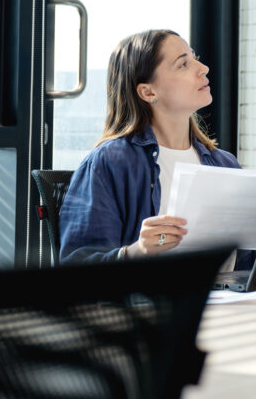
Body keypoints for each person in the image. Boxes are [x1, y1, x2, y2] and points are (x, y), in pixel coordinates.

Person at [60, 29, 240, 263]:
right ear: (148, 91)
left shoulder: (225, 163)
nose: (202, 68)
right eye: (183, 64)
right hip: (151, 299)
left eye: (194, 57)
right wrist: (135, 252)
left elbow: (248, 264)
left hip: (233, 299)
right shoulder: (110, 162)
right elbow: (76, 266)